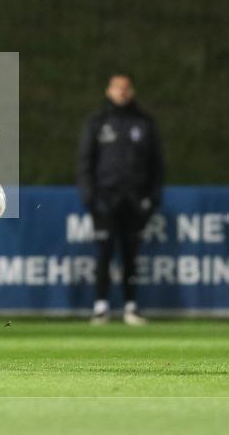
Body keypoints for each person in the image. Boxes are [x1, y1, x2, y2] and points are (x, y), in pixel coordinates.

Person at [77, 73, 164, 326]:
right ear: (109, 91)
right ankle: (101, 306)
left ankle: (131, 307)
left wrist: (153, 197)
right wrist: (89, 196)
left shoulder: (144, 123)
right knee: (104, 252)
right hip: (105, 198)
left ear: (132, 91)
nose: (121, 93)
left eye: (125, 88)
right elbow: (85, 161)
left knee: (131, 254)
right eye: (117, 88)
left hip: (135, 200)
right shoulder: (97, 122)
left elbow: (157, 164)